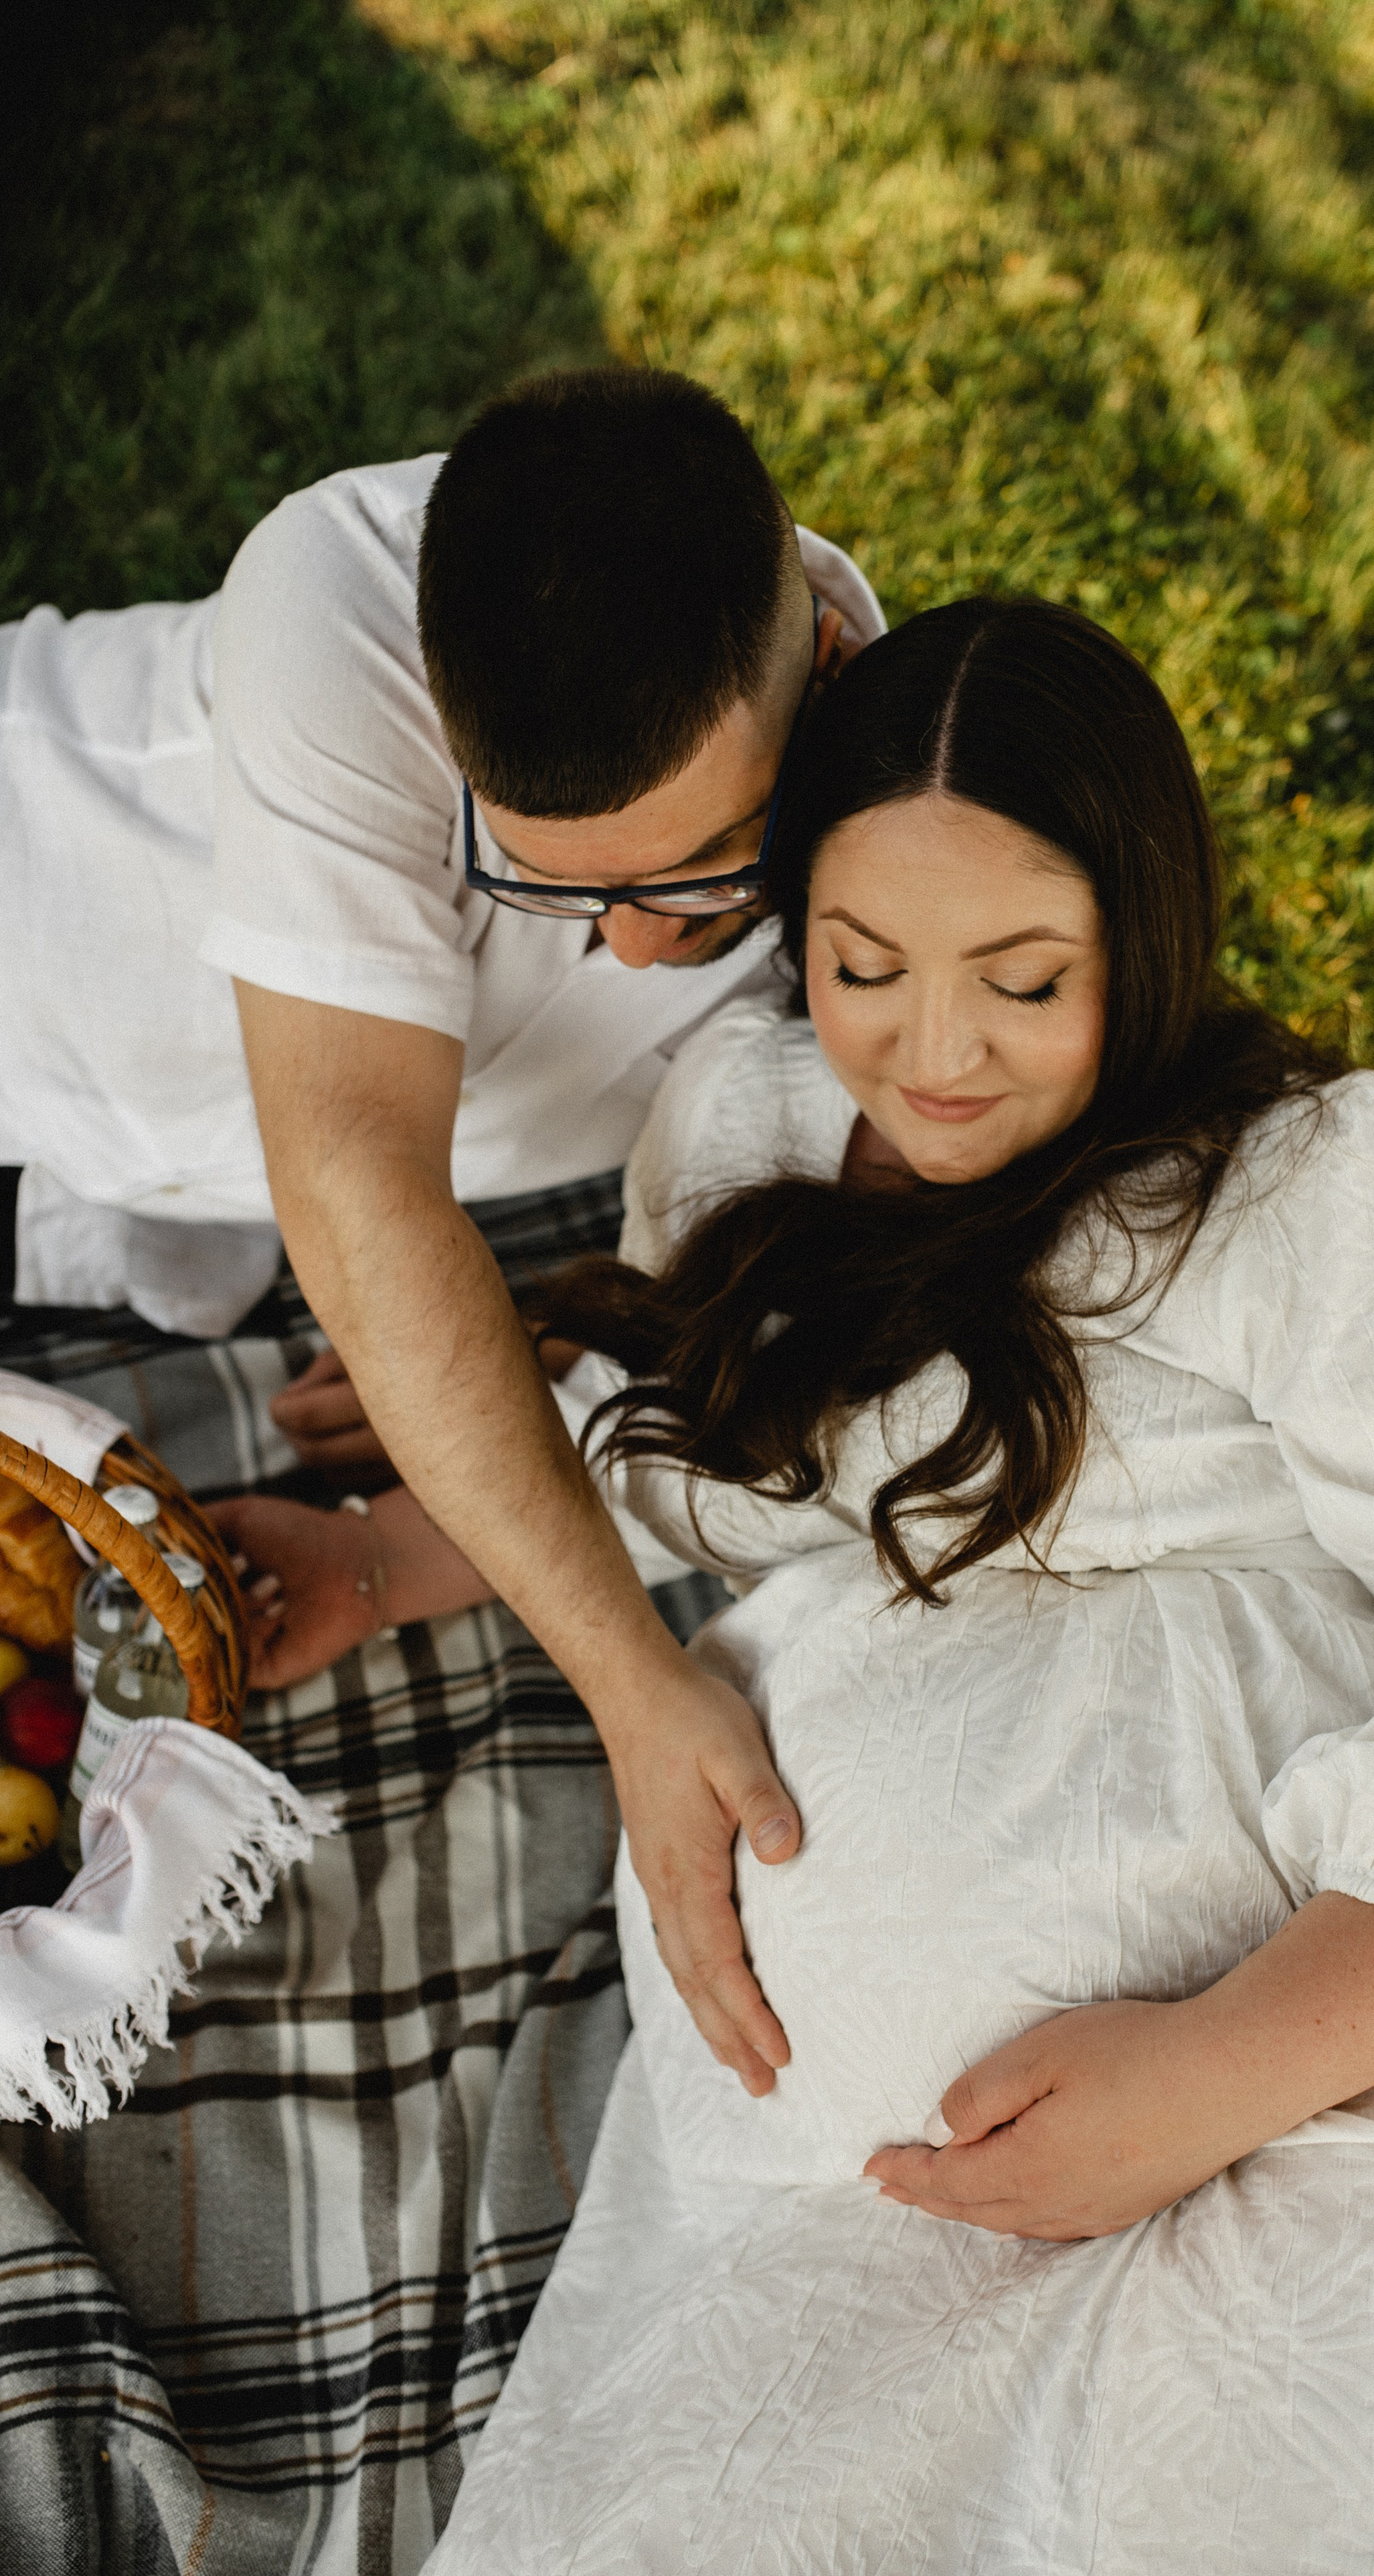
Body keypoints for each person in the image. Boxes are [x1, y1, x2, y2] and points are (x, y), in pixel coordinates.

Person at [243, 596, 1374, 2569]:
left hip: (1364, 2095)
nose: (932, 1055)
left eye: (1025, 982)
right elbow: (683, 1456)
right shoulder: (749, 1129)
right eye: (862, 966)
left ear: (1146, 935)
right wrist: (377, 1556)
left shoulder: (1325, 1182)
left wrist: (1208, 2075)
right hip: (859, 2208)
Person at [1, 366, 885, 2085]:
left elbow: (840, 1239)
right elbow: (358, 1176)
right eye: (552, 882)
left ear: (833, 669)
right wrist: (634, 1683)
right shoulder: (332, 593)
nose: (631, 945)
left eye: (698, 871)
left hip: (121, 1191)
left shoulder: (898, 813)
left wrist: (510, 1385)